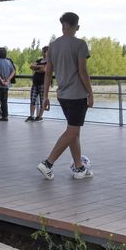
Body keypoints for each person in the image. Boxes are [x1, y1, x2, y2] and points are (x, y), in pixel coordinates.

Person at [37, 12, 94, 180]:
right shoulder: (80, 44)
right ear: (76, 26)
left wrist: (45, 96)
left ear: (63, 25)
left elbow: (48, 73)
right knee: (72, 131)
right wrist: (90, 93)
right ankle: (48, 163)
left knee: (73, 130)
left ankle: (79, 167)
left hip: (62, 95)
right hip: (77, 95)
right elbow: (83, 71)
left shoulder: (53, 46)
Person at [27, 46, 49, 122]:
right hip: (35, 83)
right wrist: (40, 67)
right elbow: (31, 66)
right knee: (32, 99)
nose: (43, 53)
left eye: (44, 51)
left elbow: (44, 69)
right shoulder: (39, 60)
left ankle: (39, 117)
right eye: (43, 51)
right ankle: (31, 116)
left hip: (43, 83)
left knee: (42, 100)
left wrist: (37, 68)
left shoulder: (50, 61)